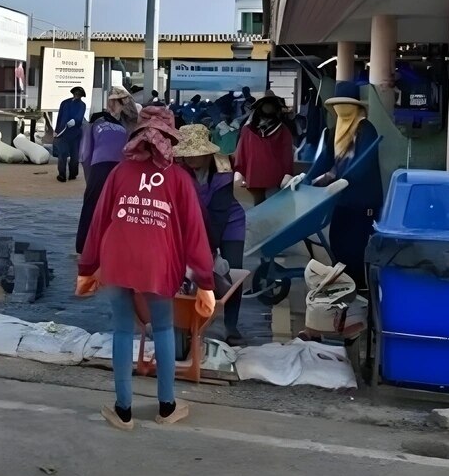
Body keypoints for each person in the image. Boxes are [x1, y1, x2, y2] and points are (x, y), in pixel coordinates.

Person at [79, 106, 214, 430]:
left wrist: (87, 266)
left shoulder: (119, 173)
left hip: (117, 259)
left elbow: (99, 223)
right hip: (158, 262)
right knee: (164, 328)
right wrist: (205, 282)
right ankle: (166, 407)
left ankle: (122, 411)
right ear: (169, 139)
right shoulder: (180, 179)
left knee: (123, 330)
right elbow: (195, 232)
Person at [306, 81, 383, 289]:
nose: (341, 109)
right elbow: (325, 158)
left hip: (363, 201)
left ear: (356, 106)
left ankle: (358, 290)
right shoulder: (335, 131)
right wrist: (305, 179)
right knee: (338, 244)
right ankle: (342, 288)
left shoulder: (366, 129)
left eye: (345, 104)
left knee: (355, 249)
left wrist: (343, 178)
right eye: (338, 105)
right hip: (341, 200)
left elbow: (364, 163)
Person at [175, 125, 246, 343]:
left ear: (207, 153)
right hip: (195, 221)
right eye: (187, 154)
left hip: (229, 222)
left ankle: (231, 326)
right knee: (185, 272)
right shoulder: (179, 170)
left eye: (196, 154)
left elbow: (218, 214)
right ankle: (187, 319)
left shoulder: (223, 171)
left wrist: (207, 249)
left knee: (231, 272)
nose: (191, 159)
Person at [74, 85, 135, 252]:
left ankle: (85, 246)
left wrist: (90, 180)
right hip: (119, 168)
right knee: (115, 208)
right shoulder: (128, 126)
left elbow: (85, 154)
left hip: (102, 167)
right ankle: (111, 246)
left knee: (94, 205)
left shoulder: (99, 123)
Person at [233, 91, 295, 205]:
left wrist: (287, 172)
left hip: (270, 175)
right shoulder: (248, 129)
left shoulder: (282, 130)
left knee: (270, 205)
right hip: (260, 174)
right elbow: (242, 151)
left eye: (271, 104)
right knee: (263, 205)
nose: (269, 107)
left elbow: (286, 154)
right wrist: (240, 170)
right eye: (267, 104)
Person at [53, 86, 87, 182]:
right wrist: (56, 130)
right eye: (76, 93)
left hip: (75, 133)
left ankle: (73, 174)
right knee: (62, 153)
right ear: (73, 93)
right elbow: (59, 117)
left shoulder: (82, 105)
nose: (77, 95)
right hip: (63, 133)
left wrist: (75, 121)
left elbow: (79, 118)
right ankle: (62, 175)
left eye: (79, 94)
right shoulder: (65, 103)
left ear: (81, 96)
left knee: (74, 155)